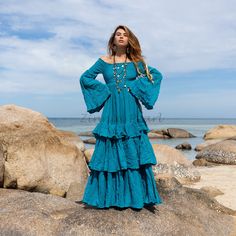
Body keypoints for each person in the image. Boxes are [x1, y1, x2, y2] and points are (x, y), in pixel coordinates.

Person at [79, 25, 163, 210]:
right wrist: (104, 91)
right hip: (112, 110)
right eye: (118, 34)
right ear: (113, 40)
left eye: (125, 35)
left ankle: (136, 197)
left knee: (132, 148)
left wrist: (136, 87)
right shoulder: (103, 61)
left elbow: (156, 76)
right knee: (110, 145)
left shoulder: (137, 62)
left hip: (131, 109)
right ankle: (108, 198)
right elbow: (85, 78)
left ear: (129, 39)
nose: (122, 37)